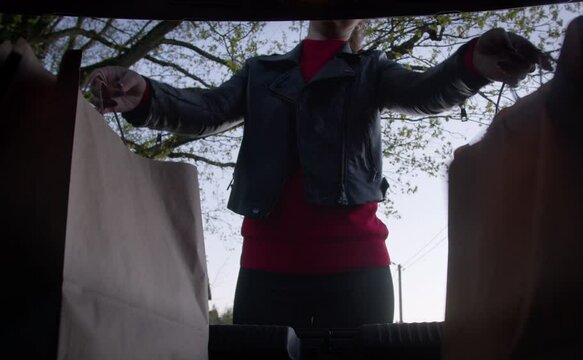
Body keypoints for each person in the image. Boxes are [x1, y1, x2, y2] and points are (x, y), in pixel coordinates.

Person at [88, 19, 552, 329]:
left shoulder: (369, 70)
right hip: (266, 271)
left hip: (357, 272)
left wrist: (472, 62)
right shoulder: (260, 73)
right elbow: (205, 110)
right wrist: (144, 93)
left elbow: (425, 91)